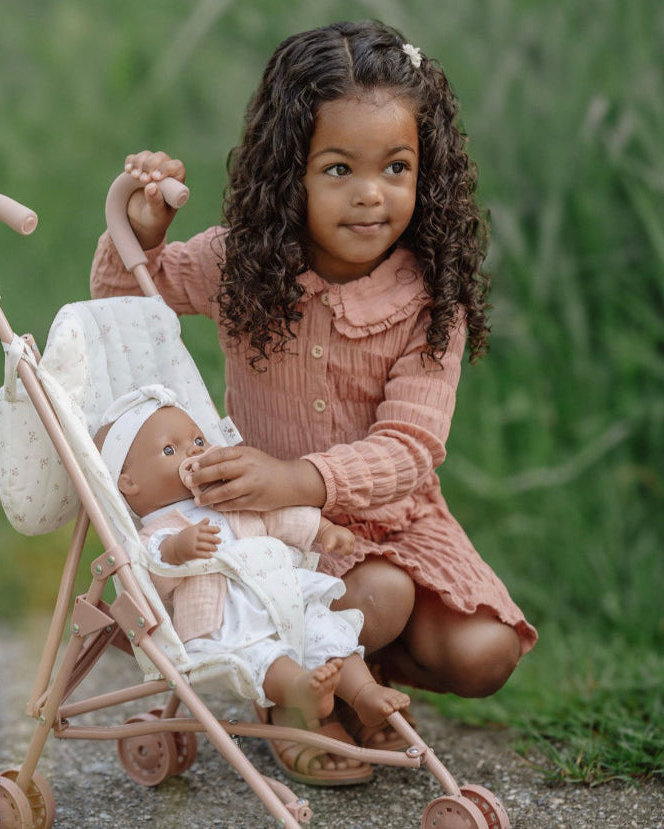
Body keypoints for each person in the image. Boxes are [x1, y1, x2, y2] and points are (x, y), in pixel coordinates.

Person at [90, 19, 537, 785]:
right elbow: (126, 307)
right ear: (288, 170)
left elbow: (409, 449)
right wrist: (143, 231)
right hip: (264, 528)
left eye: (397, 166)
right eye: (338, 169)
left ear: (424, 174)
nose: (371, 195)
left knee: (484, 649)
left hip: (391, 519)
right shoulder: (246, 262)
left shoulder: (432, 299)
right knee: (381, 593)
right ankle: (293, 700)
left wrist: (296, 478)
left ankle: (344, 666)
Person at [95, 384, 410, 784]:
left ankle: (364, 694)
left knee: (326, 631)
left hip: (285, 599)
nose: (193, 452)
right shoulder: (156, 531)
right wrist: (177, 550)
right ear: (129, 484)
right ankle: (298, 691)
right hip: (228, 621)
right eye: (170, 451)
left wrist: (323, 529)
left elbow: (278, 517)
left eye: (197, 440)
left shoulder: (229, 498)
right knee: (261, 655)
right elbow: (144, 575)